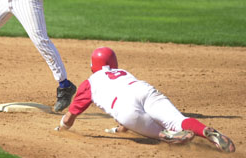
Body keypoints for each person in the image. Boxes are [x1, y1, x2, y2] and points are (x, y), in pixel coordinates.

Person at [55, 47, 236, 153]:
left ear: (92, 65)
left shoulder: (90, 83)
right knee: (178, 120)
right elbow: (131, 101)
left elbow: (71, 117)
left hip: (124, 107)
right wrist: (120, 129)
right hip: (144, 89)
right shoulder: (123, 72)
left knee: (158, 132)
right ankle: (204, 130)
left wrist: (62, 127)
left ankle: (166, 135)